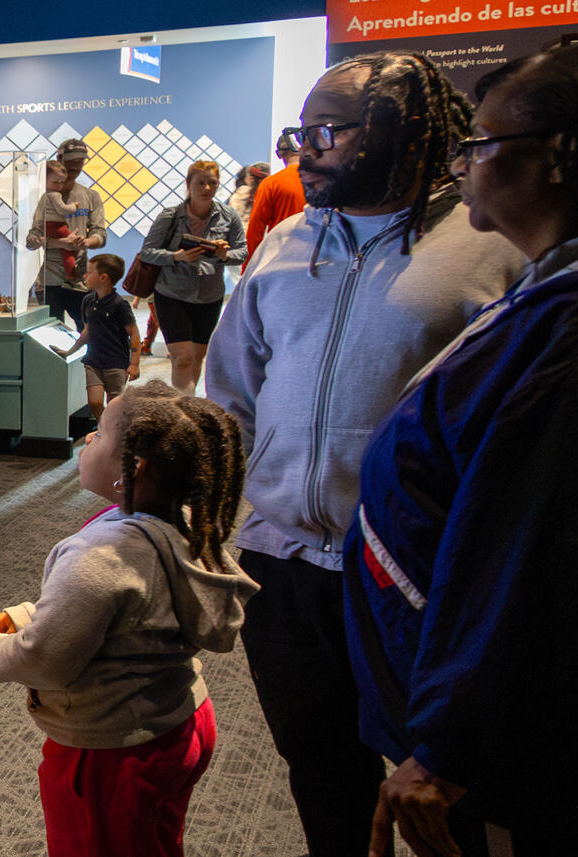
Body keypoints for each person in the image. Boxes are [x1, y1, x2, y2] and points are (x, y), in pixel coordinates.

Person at [203, 52, 526, 857]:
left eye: (326, 133)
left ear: (399, 133)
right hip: (282, 565)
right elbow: (230, 394)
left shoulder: (489, 247)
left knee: (454, 786)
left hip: (422, 572)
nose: (304, 152)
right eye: (299, 132)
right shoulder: (283, 244)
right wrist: (208, 519)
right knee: (320, 769)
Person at [344, 43, 578, 857]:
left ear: (558, 156)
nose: (465, 162)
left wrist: (450, 744)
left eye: (482, 145)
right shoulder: (545, 293)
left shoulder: (564, 326)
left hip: (494, 747)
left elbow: (522, 551)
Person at [0, 382, 257, 857]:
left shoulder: (98, 556)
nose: (87, 439)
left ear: (135, 467)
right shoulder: (174, 528)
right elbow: (123, 614)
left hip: (112, 750)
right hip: (180, 720)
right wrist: (26, 615)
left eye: (100, 434)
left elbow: (46, 658)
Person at [137, 160, 246, 392]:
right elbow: (147, 252)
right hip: (172, 293)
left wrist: (223, 255)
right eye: (201, 183)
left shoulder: (229, 216)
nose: (207, 188)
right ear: (189, 184)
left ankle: (187, 402)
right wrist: (176, 257)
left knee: (197, 358)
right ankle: (184, 409)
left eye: (212, 183)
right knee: (183, 358)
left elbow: (242, 252)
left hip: (209, 296)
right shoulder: (171, 216)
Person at [26, 140, 107, 329]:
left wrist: (86, 242)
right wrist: (61, 243)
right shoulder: (41, 197)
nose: (75, 166)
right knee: (52, 336)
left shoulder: (90, 196)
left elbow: (100, 233)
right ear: (60, 158)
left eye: (80, 161)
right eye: (71, 160)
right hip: (48, 280)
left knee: (88, 332)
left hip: (79, 281)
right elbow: (31, 240)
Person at [53, 254, 140, 423]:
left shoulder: (120, 305)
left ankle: (115, 434)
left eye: (89, 273)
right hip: (93, 362)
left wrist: (134, 364)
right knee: (94, 402)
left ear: (104, 278)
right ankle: (104, 429)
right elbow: (87, 332)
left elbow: (134, 333)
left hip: (116, 363)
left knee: (115, 404)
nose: (84, 276)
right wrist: (69, 352)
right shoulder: (87, 301)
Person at [245, 132, 306, 268]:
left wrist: (247, 268)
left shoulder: (271, 184)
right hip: (315, 257)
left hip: (281, 258)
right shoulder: (322, 181)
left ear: (281, 154)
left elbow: (256, 231)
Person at [41, 159, 87, 282]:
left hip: (47, 226)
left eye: (62, 182)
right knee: (69, 247)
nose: (59, 186)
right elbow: (62, 209)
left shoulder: (41, 194)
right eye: (55, 182)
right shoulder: (55, 195)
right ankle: (71, 274)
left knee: (68, 246)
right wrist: (74, 206)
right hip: (55, 225)